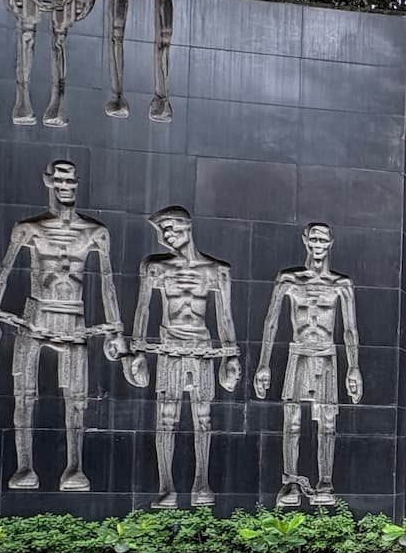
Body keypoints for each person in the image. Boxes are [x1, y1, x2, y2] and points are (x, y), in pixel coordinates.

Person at [0, 159, 125, 492]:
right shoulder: (29, 228)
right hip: (37, 313)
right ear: (48, 182)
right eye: (59, 180)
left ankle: (75, 467)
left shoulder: (95, 232)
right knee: (24, 394)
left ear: (77, 182)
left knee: (76, 398)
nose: (65, 186)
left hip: (74, 315)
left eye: (70, 180)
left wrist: (115, 330)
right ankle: (25, 466)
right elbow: (3, 272)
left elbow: (108, 283)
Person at [123, 207, 238, 507]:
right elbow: (143, 309)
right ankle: (166, 486)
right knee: (166, 417)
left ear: (186, 227)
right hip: (170, 346)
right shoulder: (157, 267)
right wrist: (137, 352)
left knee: (203, 418)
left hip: (202, 347)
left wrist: (231, 356)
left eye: (171, 229)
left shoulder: (216, 270)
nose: (166, 236)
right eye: (163, 232)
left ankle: (202, 483)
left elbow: (225, 316)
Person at [254, 222, 362, 507]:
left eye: (323, 240)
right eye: (313, 239)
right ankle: (291, 482)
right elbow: (271, 321)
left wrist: (354, 367)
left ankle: (325, 482)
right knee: (292, 419)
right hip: (299, 352)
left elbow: (350, 329)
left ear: (330, 243)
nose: (318, 244)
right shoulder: (290, 280)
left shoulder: (341, 284)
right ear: (305, 240)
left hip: (326, 355)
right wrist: (263, 364)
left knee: (328, 421)